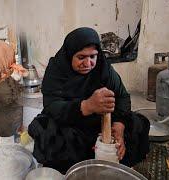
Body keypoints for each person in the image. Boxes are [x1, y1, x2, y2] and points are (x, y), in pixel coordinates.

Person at [28, 27, 150, 173]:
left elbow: (122, 97)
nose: (88, 63)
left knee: (138, 123)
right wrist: (87, 106)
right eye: (81, 57)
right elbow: (51, 106)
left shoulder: (103, 68)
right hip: (71, 122)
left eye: (93, 56)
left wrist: (118, 128)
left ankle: (106, 154)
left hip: (98, 124)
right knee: (49, 135)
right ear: (69, 54)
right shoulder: (57, 69)